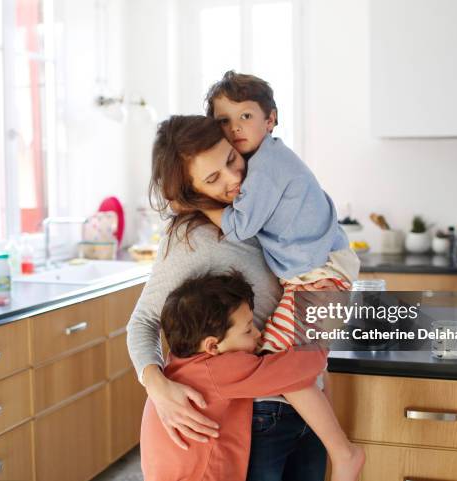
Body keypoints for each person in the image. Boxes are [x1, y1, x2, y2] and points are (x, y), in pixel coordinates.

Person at [128, 114, 337, 481]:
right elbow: (143, 321)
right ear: (192, 192)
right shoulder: (194, 241)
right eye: (213, 179)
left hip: (306, 401)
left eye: (230, 159)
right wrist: (157, 385)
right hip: (259, 417)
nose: (234, 179)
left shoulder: (263, 208)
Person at [195, 71, 365, 479]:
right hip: (320, 273)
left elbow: (237, 226)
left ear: (270, 119)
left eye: (246, 116)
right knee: (302, 363)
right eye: (224, 120)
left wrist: (191, 200)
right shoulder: (268, 160)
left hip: (318, 277)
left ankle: (342, 452)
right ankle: (336, 450)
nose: (235, 128)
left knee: (277, 362)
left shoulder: (267, 167)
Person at [140, 270, 328, 481]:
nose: (258, 334)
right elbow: (293, 369)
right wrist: (321, 345)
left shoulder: (175, 361)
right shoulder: (220, 369)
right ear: (212, 345)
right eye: (248, 330)